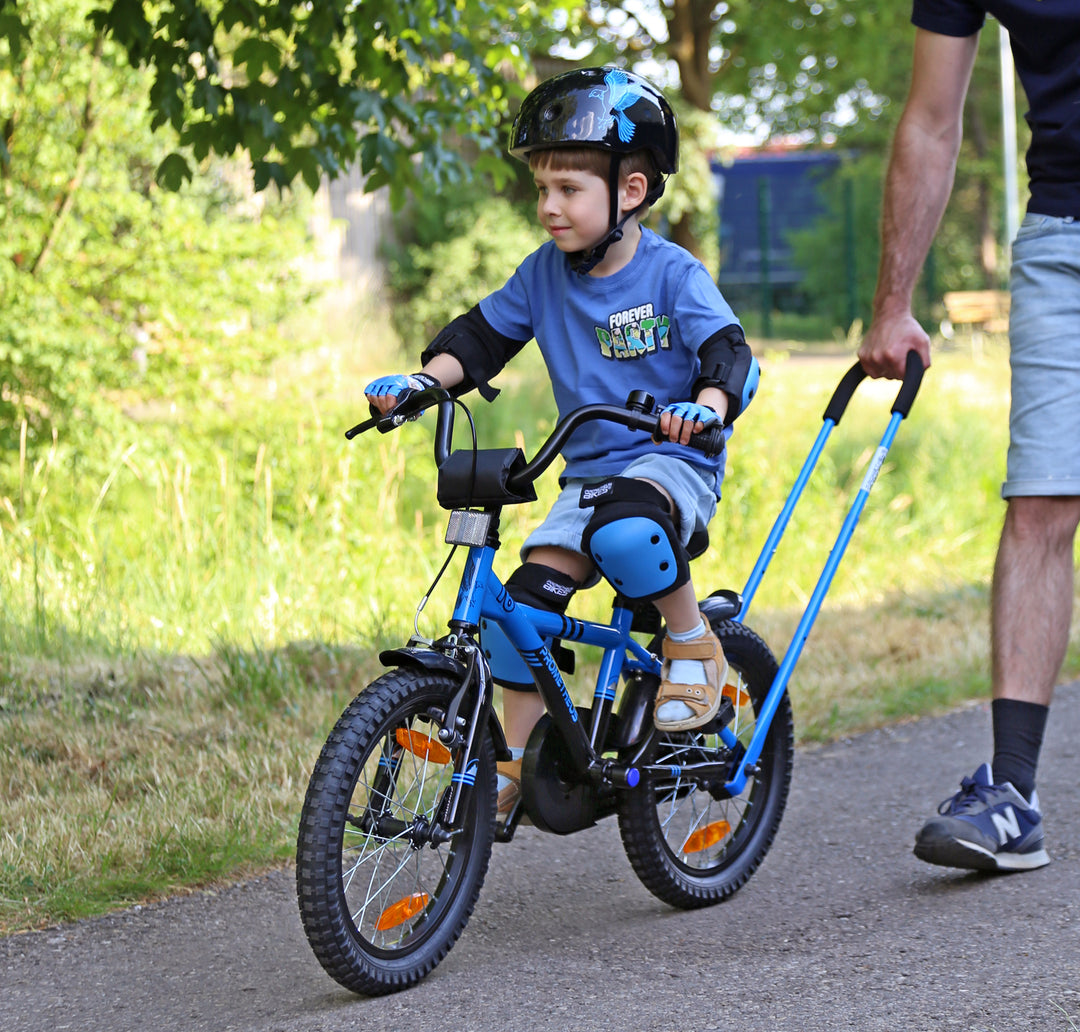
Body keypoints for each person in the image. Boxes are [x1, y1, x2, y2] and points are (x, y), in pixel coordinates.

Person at [364, 67, 757, 816]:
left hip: (671, 461)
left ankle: (692, 644)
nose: (549, 207)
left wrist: (704, 407)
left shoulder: (673, 274)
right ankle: (514, 766)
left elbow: (729, 353)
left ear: (630, 192)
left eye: (569, 189)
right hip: (589, 475)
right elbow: (481, 338)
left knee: (629, 531)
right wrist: (421, 385)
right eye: (542, 189)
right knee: (521, 612)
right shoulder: (543, 275)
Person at [859, 1, 1080, 872]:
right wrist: (892, 301)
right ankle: (1012, 795)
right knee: (1040, 502)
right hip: (1067, 235)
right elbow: (930, 115)